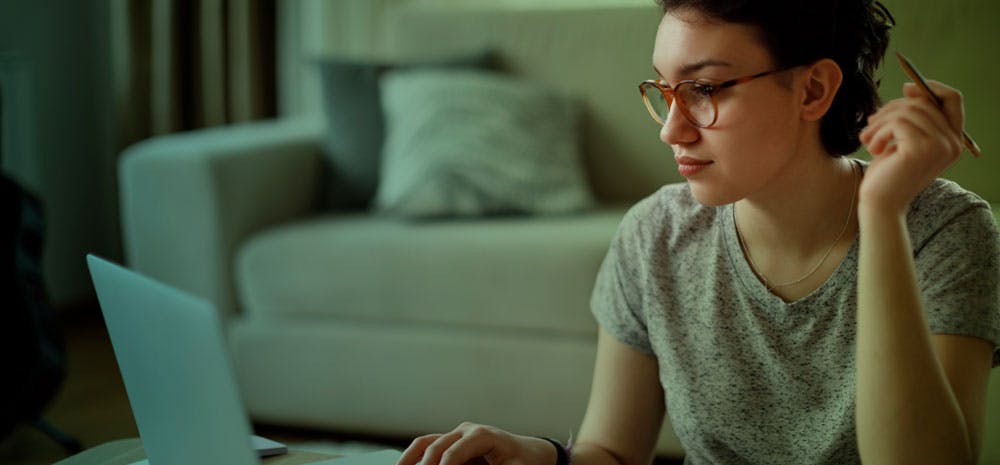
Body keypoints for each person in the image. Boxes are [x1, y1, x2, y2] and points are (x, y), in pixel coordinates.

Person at [394, 1, 1000, 464]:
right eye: (666, 90)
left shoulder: (945, 231)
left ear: (813, 89)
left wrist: (882, 215)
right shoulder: (655, 232)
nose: (672, 131)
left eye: (705, 89)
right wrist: (540, 455)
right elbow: (612, 453)